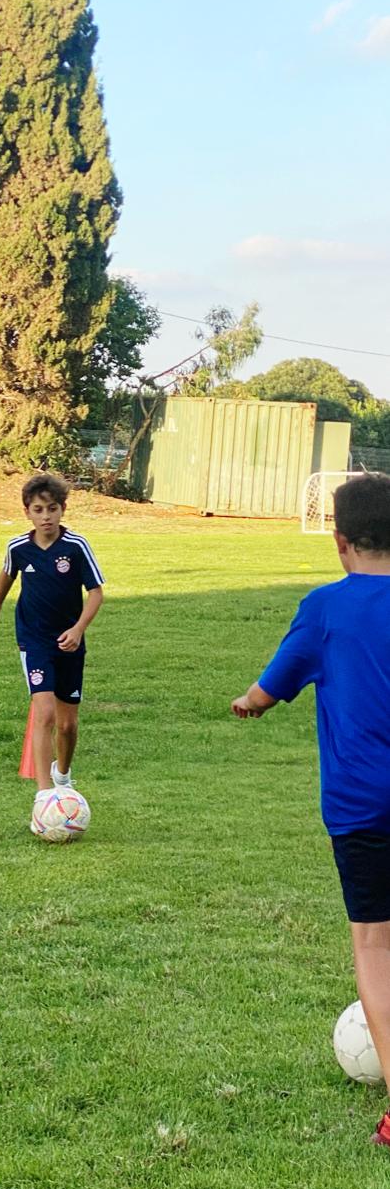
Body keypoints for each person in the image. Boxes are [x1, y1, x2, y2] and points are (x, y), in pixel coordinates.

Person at [230, 472, 390, 1145]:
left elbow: (265, 692)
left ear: (341, 541)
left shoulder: (325, 609)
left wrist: (247, 704)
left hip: (363, 807)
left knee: (375, 943)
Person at [0, 472, 104, 805]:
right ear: (27, 512)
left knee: (67, 725)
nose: (46, 516)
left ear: (63, 509)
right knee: (45, 712)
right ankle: (43, 794)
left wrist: (78, 629)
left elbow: (96, 593)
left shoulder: (76, 547)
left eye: (52, 509)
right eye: (38, 510)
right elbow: (7, 573)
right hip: (33, 639)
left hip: (70, 642)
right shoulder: (19, 548)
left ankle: (62, 774)